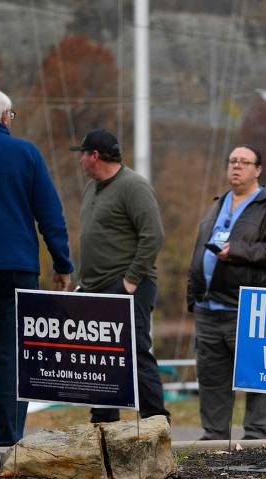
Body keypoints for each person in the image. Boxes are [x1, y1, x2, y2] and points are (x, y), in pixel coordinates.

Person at [0, 90, 73, 446]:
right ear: (4, 118)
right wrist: (62, 264)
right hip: (19, 269)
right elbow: (50, 215)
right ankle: (7, 440)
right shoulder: (26, 153)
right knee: (15, 357)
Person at [187, 145, 266, 440]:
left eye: (244, 162)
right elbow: (199, 251)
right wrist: (193, 294)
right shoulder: (218, 203)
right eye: (232, 161)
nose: (236, 166)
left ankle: (257, 437)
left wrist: (238, 252)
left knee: (259, 374)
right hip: (208, 307)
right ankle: (214, 437)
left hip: (247, 308)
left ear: (258, 170)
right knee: (211, 378)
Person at [71, 129, 169, 424]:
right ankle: (104, 421)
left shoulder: (133, 186)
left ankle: (155, 420)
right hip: (94, 287)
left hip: (127, 286)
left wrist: (130, 280)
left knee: (135, 351)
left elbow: (153, 235)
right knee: (100, 357)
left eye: (83, 155)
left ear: (95, 156)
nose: (81, 162)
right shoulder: (92, 187)